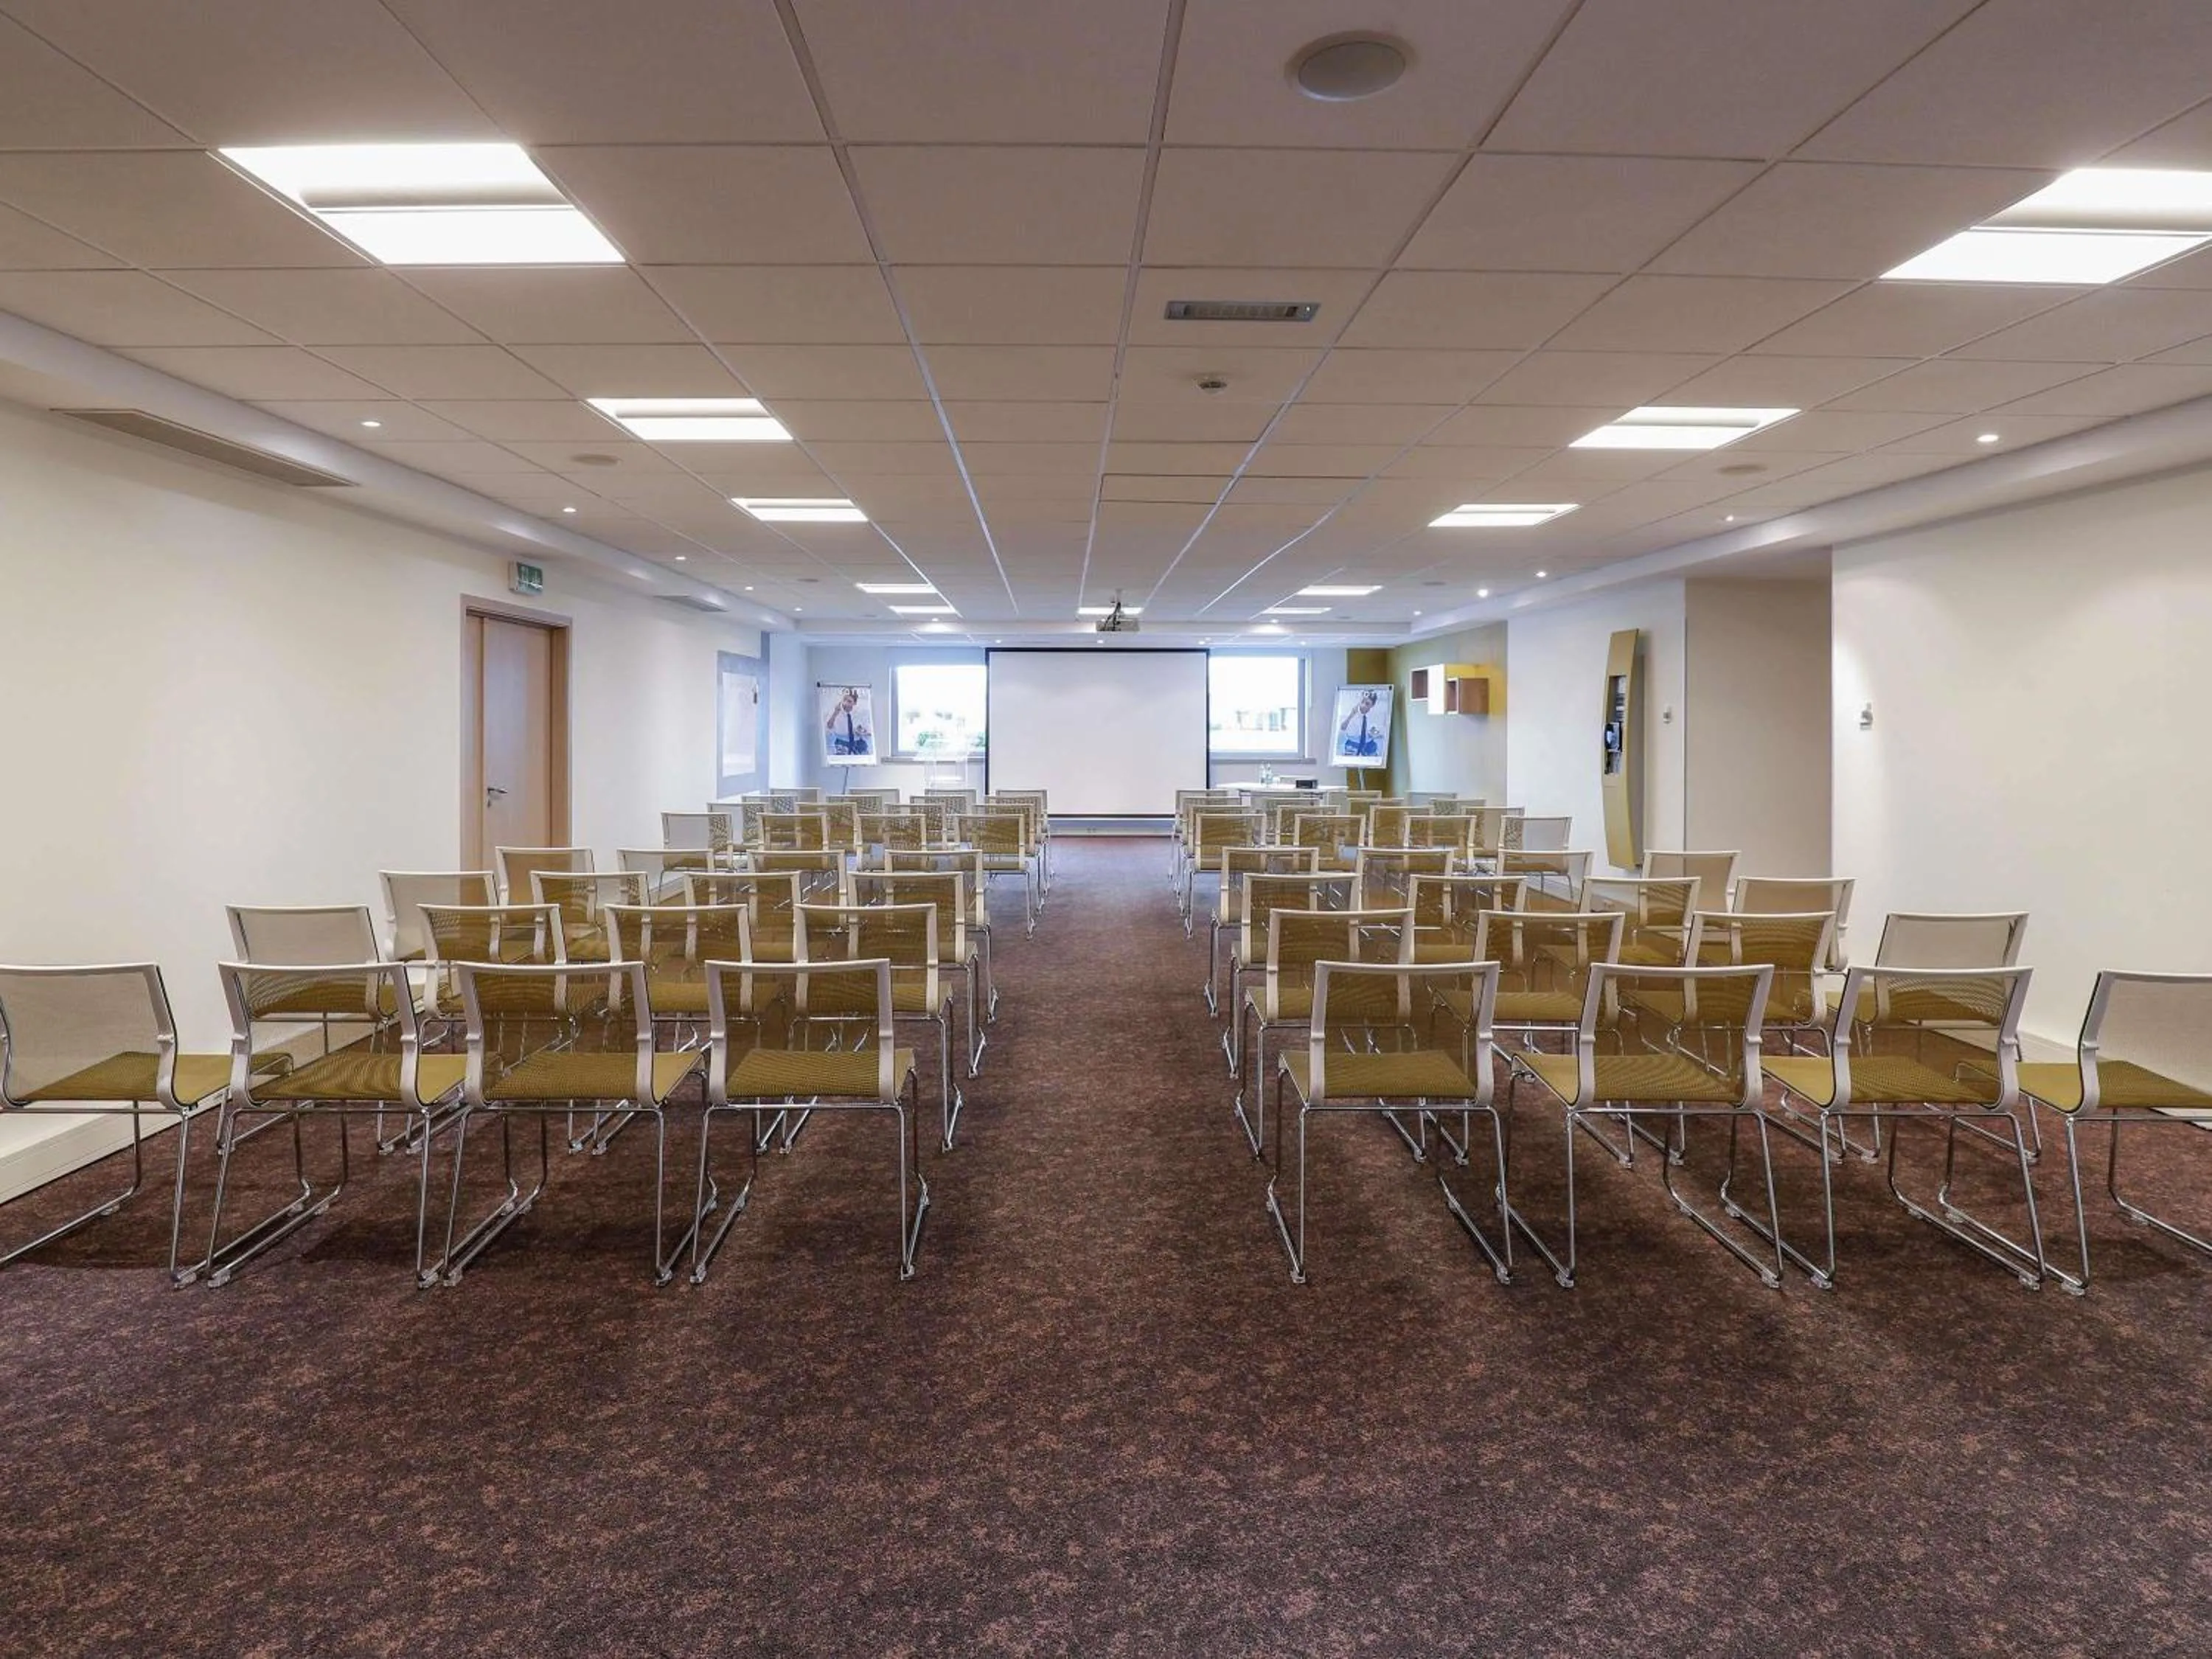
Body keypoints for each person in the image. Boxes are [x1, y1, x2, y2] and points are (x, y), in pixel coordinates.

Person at [1336, 689, 1382, 759]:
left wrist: (1375, 733)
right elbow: (1342, 728)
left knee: (1376, 760)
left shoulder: (1376, 715)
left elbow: (1379, 733)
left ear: (1372, 705)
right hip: (1353, 743)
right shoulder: (1351, 710)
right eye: (1362, 702)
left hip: (1369, 743)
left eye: (1367, 704)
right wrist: (1351, 715)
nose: (1363, 705)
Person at [825, 686, 871, 757]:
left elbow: (869, 732)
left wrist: (863, 732)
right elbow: (829, 727)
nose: (845, 703)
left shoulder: (861, 712)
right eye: (844, 700)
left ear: (855, 703)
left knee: (866, 759)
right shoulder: (835, 710)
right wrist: (835, 714)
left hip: (858, 742)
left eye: (849, 701)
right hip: (842, 742)